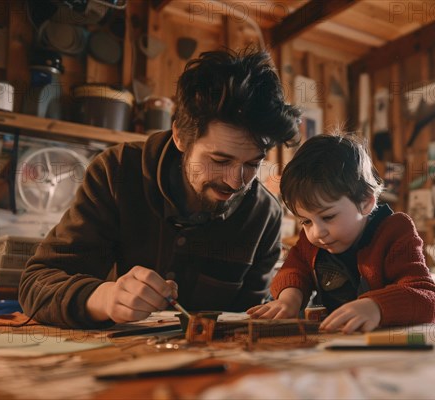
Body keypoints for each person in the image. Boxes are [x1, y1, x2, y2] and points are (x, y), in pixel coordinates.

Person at [19, 49, 301, 328]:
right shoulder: (116, 172)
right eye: (220, 160)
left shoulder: (265, 216)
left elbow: (246, 321)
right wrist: (104, 298)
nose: (236, 182)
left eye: (252, 164)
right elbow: (36, 284)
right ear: (180, 135)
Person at [247, 133, 435, 333]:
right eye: (305, 221)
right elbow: (294, 269)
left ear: (365, 202)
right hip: (338, 347)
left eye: (328, 217)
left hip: (391, 350)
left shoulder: (395, 232)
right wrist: (289, 298)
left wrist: (375, 307)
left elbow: (426, 299)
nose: (316, 232)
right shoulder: (312, 242)